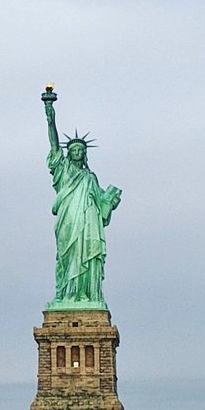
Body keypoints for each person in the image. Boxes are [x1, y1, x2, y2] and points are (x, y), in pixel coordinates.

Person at [43, 90, 122, 305]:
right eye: (73, 149)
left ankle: (87, 295)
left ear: (84, 154)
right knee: (67, 256)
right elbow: (53, 144)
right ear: (68, 153)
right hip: (68, 221)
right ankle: (67, 294)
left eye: (80, 149)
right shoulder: (63, 169)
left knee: (86, 253)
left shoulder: (89, 177)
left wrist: (111, 200)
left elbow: (102, 203)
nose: (77, 152)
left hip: (88, 223)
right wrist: (50, 116)